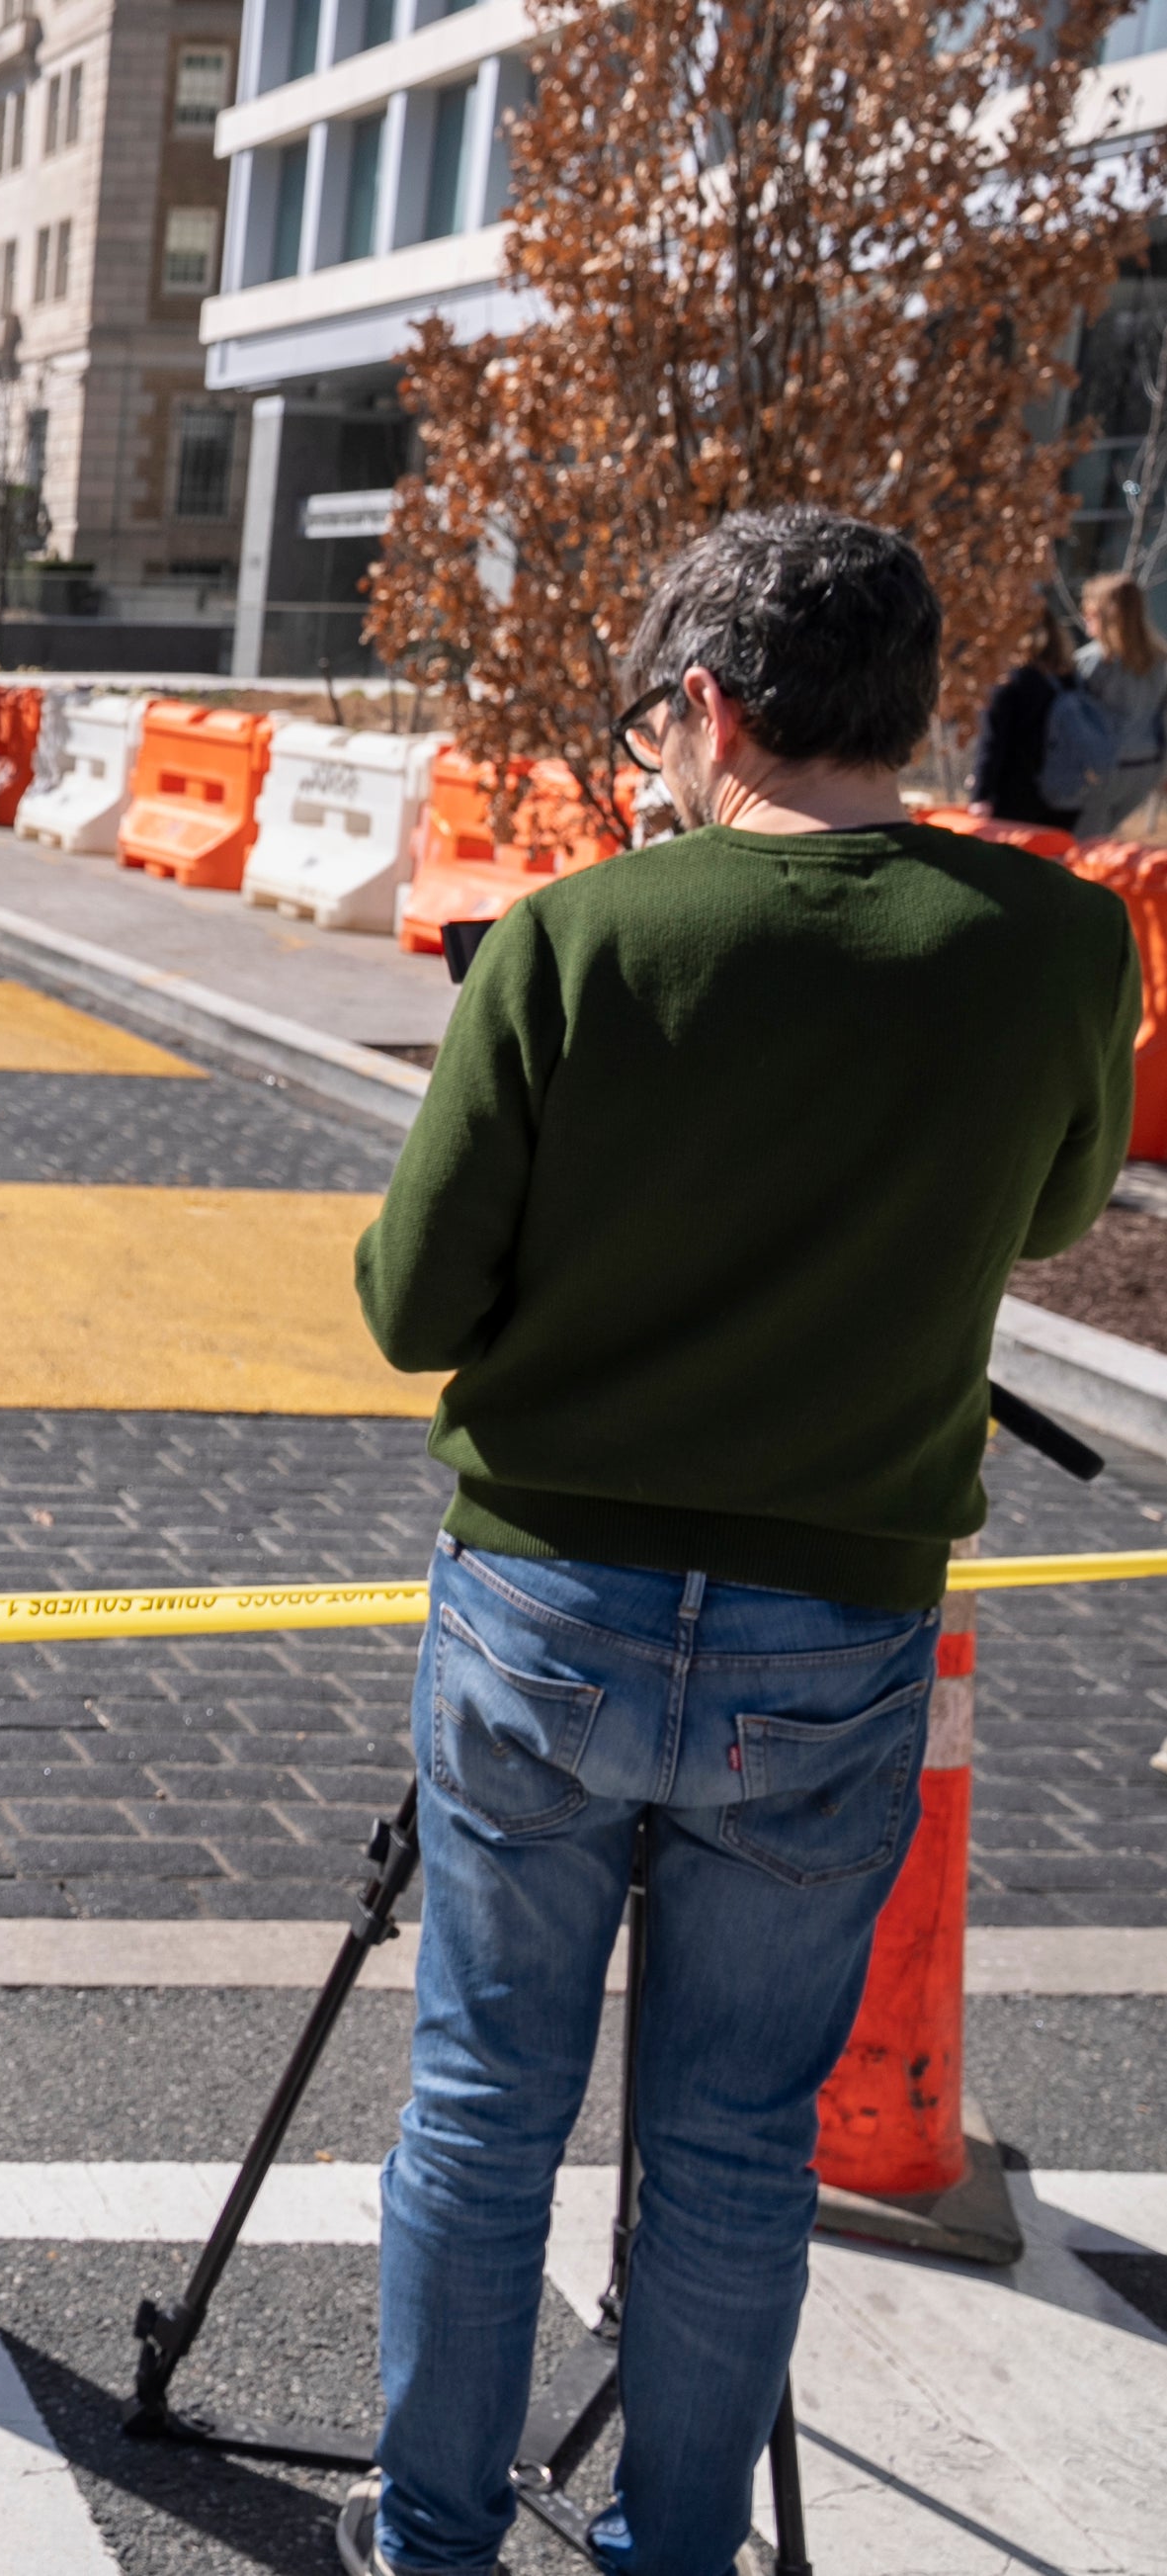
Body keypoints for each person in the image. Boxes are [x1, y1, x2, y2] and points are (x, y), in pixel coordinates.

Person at [344, 507, 1136, 2576]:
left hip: (545, 1602)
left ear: (699, 708)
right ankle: (668, 2545)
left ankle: (428, 2535)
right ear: (913, 703)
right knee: (727, 2142)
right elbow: (1052, 1215)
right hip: (832, 1625)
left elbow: (411, 1306)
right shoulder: (1053, 942)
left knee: (481, 2099)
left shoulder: (574, 942)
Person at [968, 605, 1084, 831]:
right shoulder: (1070, 680)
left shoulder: (1009, 684)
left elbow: (992, 745)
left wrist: (980, 795)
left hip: (1015, 803)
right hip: (1065, 798)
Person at [1075, 570, 1167, 839]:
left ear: (1106, 614)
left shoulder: (1092, 662)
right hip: (1145, 768)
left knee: (1079, 848)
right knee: (1100, 842)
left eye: (1089, 612)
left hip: (1103, 771)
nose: (1084, 617)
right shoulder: (1160, 660)